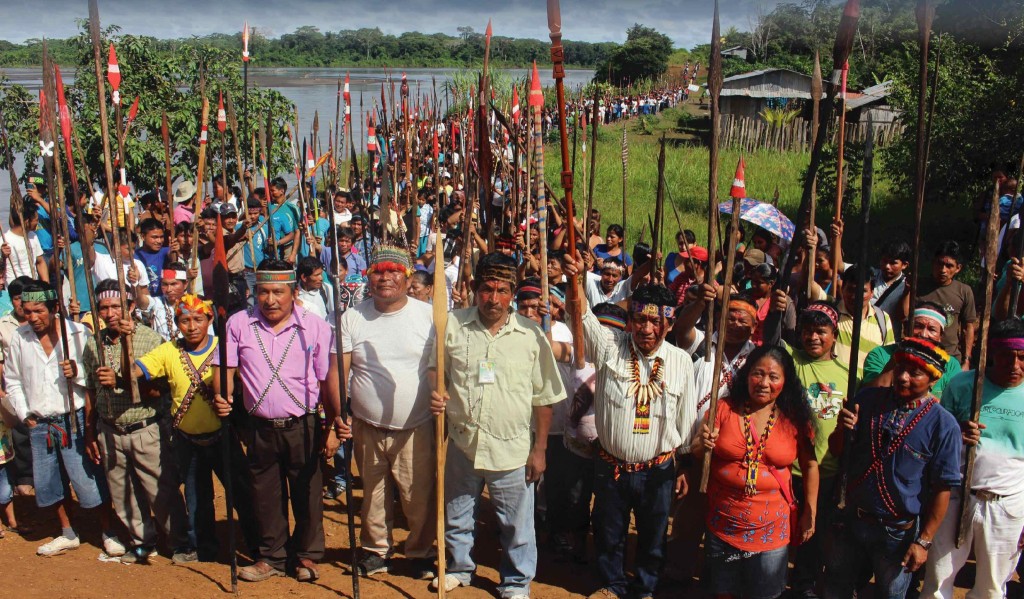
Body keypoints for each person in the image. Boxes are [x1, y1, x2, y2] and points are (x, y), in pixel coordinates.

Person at [428, 252, 565, 597]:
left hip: (513, 448)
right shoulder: (451, 325)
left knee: (517, 524)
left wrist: (540, 450)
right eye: (487, 289)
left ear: (513, 293)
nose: (494, 298)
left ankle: (517, 583)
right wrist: (437, 391)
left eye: (502, 291)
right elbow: (436, 369)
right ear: (475, 290)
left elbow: (544, 397)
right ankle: (458, 568)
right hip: (463, 442)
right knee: (458, 511)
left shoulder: (532, 336)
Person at [565, 247, 697, 599]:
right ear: (631, 319)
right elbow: (581, 316)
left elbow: (685, 422)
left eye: (656, 322)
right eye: (640, 320)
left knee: (654, 536)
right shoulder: (610, 348)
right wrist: (575, 279)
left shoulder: (682, 362)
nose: (647, 329)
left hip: (659, 470)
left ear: (669, 324)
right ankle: (612, 585)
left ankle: (645, 589)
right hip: (611, 467)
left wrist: (683, 463)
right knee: (609, 533)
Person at [212, 258, 349, 584]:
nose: (270, 300)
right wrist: (221, 394)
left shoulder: (314, 327)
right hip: (258, 427)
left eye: (277, 292)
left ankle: (307, 556)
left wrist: (334, 425)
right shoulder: (238, 324)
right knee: (265, 494)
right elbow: (225, 369)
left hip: (303, 425)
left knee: (307, 493)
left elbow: (327, 378)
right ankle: (271, 556)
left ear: (293, 291)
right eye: (263, 292)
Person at [825, 337, 962, 599]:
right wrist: (842, 428)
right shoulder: (866, 399)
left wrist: (923, 542)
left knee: (890, 593)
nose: (903, 377)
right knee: (837, 586)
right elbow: (837, 450)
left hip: (898, 531)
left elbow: (943, 488)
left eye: (915, 373)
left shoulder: (944, 425)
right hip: (854, 519)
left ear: (933, 380)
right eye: (900, 368)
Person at [126, 293, 259, 561]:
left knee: (242, 494)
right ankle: (204, 548)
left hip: (224, 437)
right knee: (198, 499)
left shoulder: (225, 347)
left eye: (198, 319)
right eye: (184, 320)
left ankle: (259, 547)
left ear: (210, 319)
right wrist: (125, 340)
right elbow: (133, 372)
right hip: (188, 441)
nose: (191, 326)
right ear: (177, 323)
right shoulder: (168, 351)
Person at [2, 280, 123, 557]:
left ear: (55, 308)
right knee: (49, 482)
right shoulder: (20, 337)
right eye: (28, 311)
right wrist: (25, 414)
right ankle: (68, 532)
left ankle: (108, 530)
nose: (32, 317)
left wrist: (77, 371)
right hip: (39, 422)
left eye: (39, 311)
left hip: (75, 417)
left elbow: (95, 376)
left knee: (89, 478)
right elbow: (13, 380)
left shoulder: (78, 333)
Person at [693, 344, 818, 599]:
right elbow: (697, 450)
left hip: (772, 529)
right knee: (723, 591)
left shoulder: (795, 418)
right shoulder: (723, 408)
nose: (763, 382)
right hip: (724, 523)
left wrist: (810, 511)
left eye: (773, 377)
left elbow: (810, 465)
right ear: (746, 375)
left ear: (785, 382)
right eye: (757, 374)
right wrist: (702, 444)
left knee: (765, 594)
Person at [343, 245, 438, 580]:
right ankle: (375, 550)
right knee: (373, 493)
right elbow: (342, 370)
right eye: (378, 271)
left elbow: (445, 366)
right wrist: (338, 415)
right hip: (366, 425)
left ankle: (421, 551)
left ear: (407, 276)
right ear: (369, 277)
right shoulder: (353, 316)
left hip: (417, 425)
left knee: (418, 495)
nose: (385, 278)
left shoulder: (429, 315)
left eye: (393, 271)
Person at [84, 278, 191, 564]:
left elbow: (160, 390)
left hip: (145, 427)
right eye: (103, 308)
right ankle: (141, 541)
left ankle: (180, 542)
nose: (109, 314)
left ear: (130, 306)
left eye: (116, 306)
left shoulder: (149, 340)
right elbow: (91, 392)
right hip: (109, 429)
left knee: (161, 489)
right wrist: (89, 430)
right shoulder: (93, 344)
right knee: (122, 491)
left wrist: (122, 380)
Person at [920, 319, 1024, 599]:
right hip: (956, 497)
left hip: (1008, 504)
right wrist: (958, 431)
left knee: (991, 588)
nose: (1015, 366)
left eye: (1023, 358)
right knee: (938, 580)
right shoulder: (964, 384)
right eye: (1007, 356)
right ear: (991, 354)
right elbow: (937, 434)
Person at [788, 301, 860, 599]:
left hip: (828, 469)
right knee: (785, 531)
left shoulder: (848, 375)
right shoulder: (790, 361)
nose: (813, 337)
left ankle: (805, 585)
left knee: (815, 533)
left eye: (821, 331)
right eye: (807, 331)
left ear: (834, 335)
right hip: (788, 468)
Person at [863, 302, 962, 397]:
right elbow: (872, 395)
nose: (923, 334)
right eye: (918, 326)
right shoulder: (881, 354)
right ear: (905, 328)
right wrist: (897, 358)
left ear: (940, 336)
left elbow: (954, 404)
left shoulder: (950, 365)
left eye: (931, 329)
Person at [910, 241, 977, 367]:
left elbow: (968, 327)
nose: (943, 270)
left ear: (958, 268)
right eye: (939, 264)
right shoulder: (917, 285)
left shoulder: (964, 291)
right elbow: (904, 315)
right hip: (918, 353)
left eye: (949, 266)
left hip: (949, 357)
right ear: (933, 262)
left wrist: (966, 360)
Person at [836, 265, 896, 371]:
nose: (855, 296)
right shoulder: (831, 313)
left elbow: (888, 358)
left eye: (862, 291)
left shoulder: (882, 319)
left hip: (868, 386)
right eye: (851, 289)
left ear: (872, 292)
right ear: (842, 289)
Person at [2, 203, 48, 283]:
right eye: (36, 220)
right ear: (27, 221)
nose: (37, 223)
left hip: (33, 289)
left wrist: (46, 284)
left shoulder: (33, 236)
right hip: (14, 290)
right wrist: (3, 256)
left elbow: (40, 262)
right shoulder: (4, 241)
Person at [144, 264, 189, 341]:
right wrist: (136, 284)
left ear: (185, 284)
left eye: (173, 284)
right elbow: (141, 302)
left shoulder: (196, 304)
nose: (168, 290)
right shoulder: (157, 302)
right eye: (165, 284)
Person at [134, 218, 173, 298]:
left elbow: (173, 258)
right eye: (154, 237)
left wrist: (174, 251)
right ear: (143, 236)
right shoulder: (134, 256)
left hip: (164, 300)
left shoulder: (166, 252)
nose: (159, 241)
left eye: (161, 237)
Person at [872, 239, 911, 320]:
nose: (887, 266)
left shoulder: (905, 285)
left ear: (904, 265)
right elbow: (841, 267)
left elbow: (903, 315)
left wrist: (906, 292)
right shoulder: (870, 275)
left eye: (893, 263)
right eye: (884, 261)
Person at [296, 256, 334, 322]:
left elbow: (332, 314)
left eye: (321, 274)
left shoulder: (326, 289)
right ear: (304, 277)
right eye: (316, 275)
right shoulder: (294, 293)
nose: (321, 278)